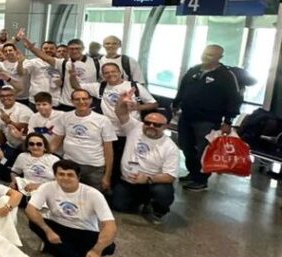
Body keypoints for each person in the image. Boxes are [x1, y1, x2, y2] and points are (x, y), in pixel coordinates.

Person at [24, 159, 118, 257]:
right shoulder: (47, 187)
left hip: (84, 231)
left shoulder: (93, 194)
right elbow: (30, 209)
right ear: (55, 175)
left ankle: (52, 248)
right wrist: (47, 231)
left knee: (109, 247)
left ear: (78, 176)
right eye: (61, 174)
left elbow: (110, 226)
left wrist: (96, 250)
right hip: (56, 227)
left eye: (70, 175)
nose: (65, 178)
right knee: (33, 222)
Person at [172, 44, 243, 191]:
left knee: (203, 151)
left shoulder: (226, 75)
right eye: (205, 53)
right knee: (186, 148)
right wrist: (176, 104)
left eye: (211, 55)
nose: (206, 56)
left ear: (219, 57)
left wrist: (228, 121)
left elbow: (234, 99)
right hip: (187, 117)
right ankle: (193, 173)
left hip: (208, 120)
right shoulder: (194, 70)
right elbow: (183, 89)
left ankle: (201, 179)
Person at [111, 96, 179, 224]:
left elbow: (170, 176)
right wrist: (122, 100)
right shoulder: (135, 128)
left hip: (151, 182)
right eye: (147, 123)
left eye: (157, 125)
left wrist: (148, 178)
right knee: (118, 205)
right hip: (128, 180)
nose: (151, 126)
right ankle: (141, 201)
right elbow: (120, 112)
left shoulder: (170, 147)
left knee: (163, 192)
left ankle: (158, 210)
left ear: (166, 127)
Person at [49, 89, 116, 191]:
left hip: (94, 167)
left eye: (84, 99)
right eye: (77, 99)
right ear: (72, 101)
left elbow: (109, 151)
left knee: (93, 199)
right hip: (69, 165)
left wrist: (107, 176)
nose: (81, 102)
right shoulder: (65, 117)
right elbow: (56, 141)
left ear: (90, 100)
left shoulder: (103, 120)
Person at [10, 133, 59, 200]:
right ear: (28, 147)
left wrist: (38, 186)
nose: (35, 147)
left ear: (45, 147)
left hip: (47, 190)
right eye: (31, 144)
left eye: (39, 144)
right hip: (26, 189)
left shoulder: (54, 159)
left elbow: (59, 182)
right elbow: (14, 172)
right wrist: (15, 182)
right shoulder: (22, 156)